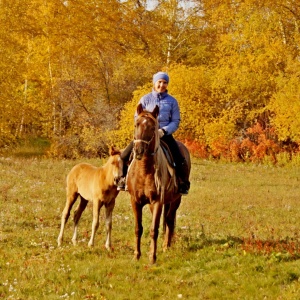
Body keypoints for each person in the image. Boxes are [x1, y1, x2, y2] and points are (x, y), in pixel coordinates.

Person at [117, 71, 190, 195]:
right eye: (159, 82)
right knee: (124, 156)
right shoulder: (145, 99)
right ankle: (122, 180)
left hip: (164, 135)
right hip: (145, 136)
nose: (162, 85)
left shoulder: (172, 101)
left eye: (165, 83)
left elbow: (176, 120)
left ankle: (182, 183)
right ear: (154, 83)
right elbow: (137, 117)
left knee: (179, 158)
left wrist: (164, 131)